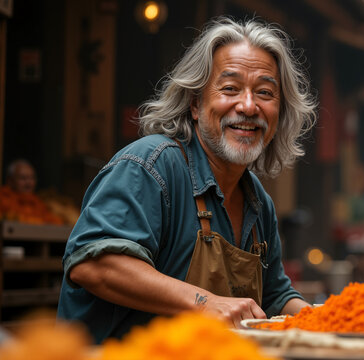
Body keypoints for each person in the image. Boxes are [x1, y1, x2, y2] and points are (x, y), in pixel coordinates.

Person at [57, 17, 317, 343]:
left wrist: (327, 319)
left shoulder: (258, 202)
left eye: (265, 92)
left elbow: (275, 298)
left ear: (279, 112)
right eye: (230, 89)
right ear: (195, 104)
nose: (249, 106)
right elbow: (95, 263)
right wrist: (204, 303)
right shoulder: (150, 166)